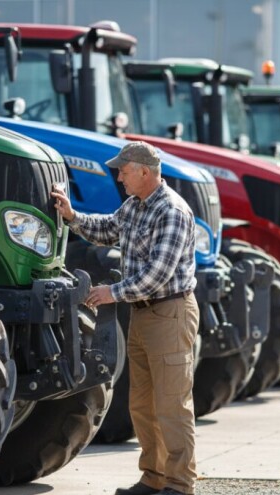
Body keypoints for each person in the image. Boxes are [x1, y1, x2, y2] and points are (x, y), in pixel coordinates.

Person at [51, 141, 199, 495]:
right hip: (144, 313)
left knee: (172, 405)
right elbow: (106, 229)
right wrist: (72, 216)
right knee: (143, 404)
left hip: (170, 313)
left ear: (145, 172)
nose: (119, 177)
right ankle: (153, 478)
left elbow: (157, 274)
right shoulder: (135, 205)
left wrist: (111, 293)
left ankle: (180, 484)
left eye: (124, 171)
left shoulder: (172, 211)